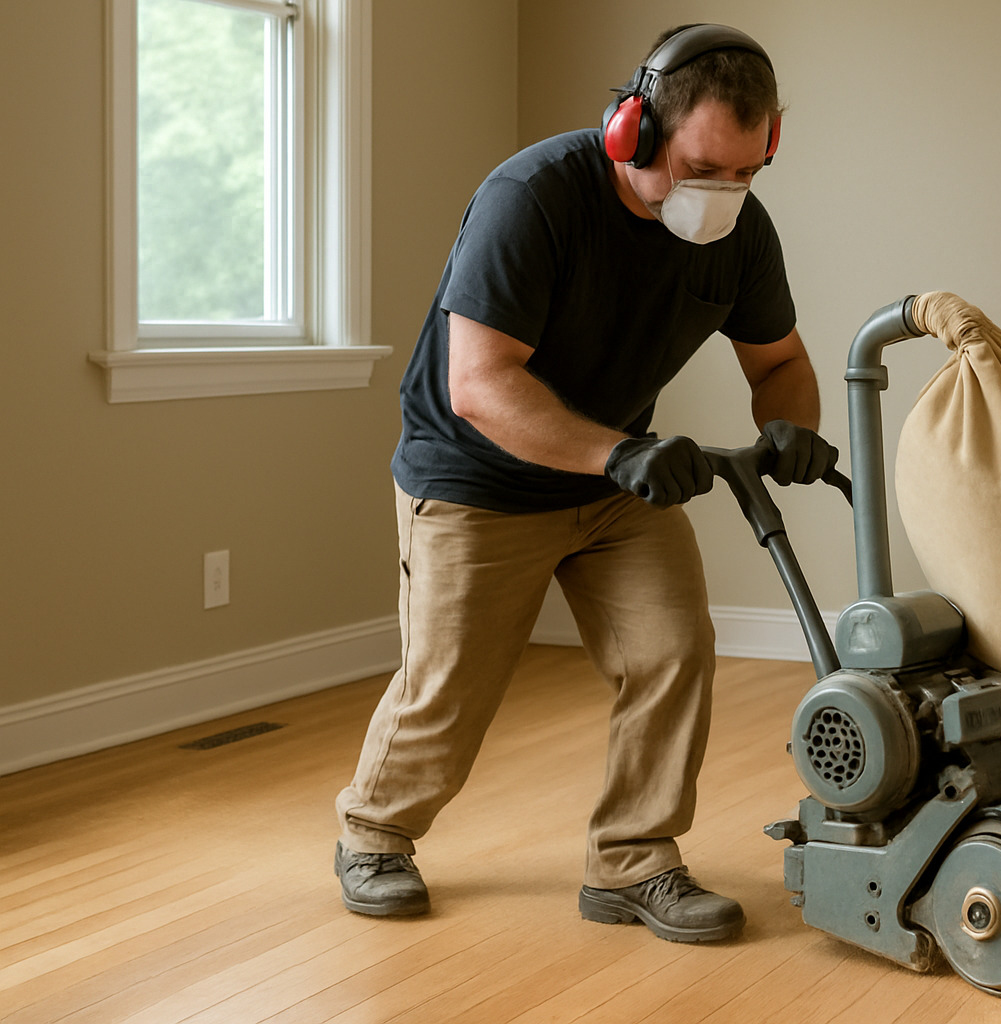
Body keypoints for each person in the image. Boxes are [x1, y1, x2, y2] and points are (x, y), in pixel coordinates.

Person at [332, 23, 833, 944]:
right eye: (700, 167)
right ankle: (375, 833)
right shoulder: (532, 199)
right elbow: (480, 384)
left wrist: (790, 427)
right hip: (476, 477)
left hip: (611, 478)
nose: (721, 194)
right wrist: (618, 454)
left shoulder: (737, 233)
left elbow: (781, 360)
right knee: (450, 687)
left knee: (672, 650)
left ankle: (634, 865)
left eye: (745, 173)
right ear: (631, 132)